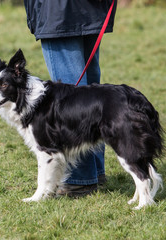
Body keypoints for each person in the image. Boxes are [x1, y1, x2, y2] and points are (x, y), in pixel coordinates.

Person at [24, 0, 117, 197]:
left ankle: (80, 180)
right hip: (91, 10)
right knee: (91, 93)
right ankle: (94, 171)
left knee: (71, 98)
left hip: (58, 13)